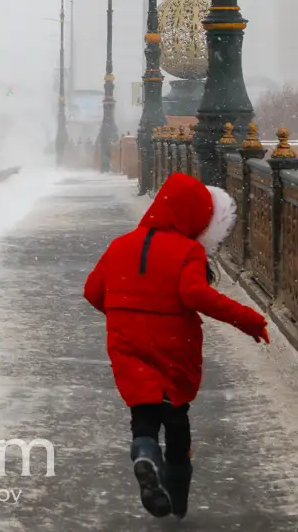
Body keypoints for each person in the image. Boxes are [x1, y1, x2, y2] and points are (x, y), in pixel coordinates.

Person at [83, 172, 269, 520]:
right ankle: (177, 496)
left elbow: (93, 291)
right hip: (171, 345)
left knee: (144, 412)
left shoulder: (121, 245)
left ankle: (144, 453)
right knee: (176, 419)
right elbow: (194, 294)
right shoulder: (188, 252)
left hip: (127, 345)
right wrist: (247, 318)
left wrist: (127, 310)